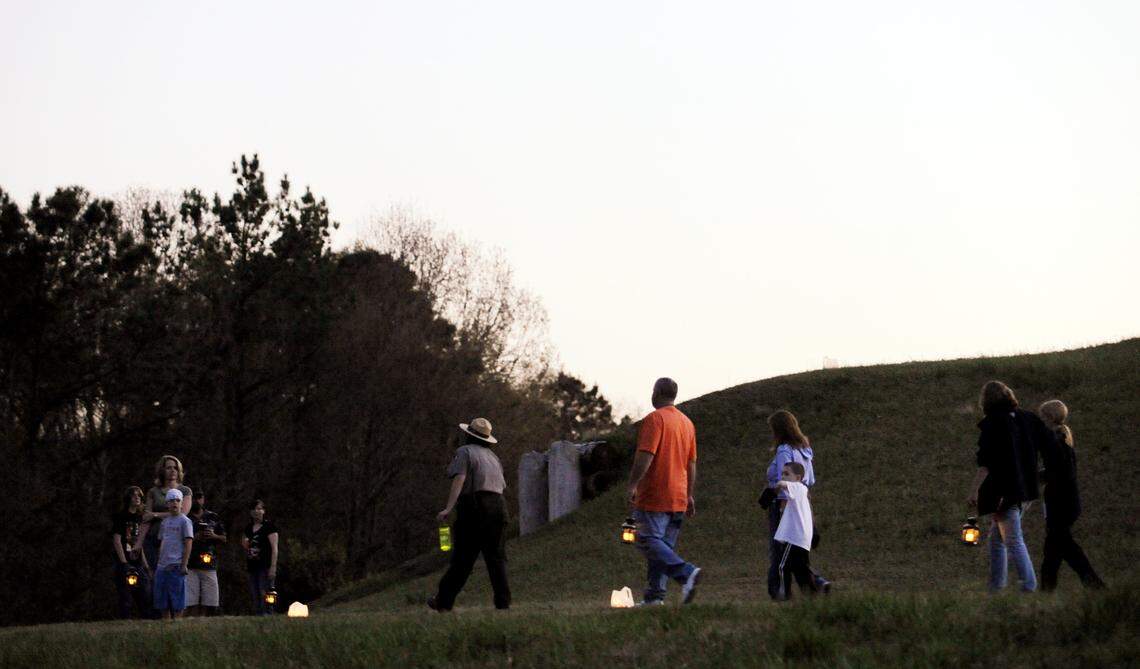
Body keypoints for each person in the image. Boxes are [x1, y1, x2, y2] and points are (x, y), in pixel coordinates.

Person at [966, 381, 1050, 593]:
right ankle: (996, 587)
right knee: (997, 540)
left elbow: (985, 462)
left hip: (1004, 492)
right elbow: (1049, 445)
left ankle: (1028, 586)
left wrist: (974, 489)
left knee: (1013, 540)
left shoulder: (992, 424)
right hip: (1026, 490)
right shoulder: (1028, 418)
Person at [626, 377, 701, 606]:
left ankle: (686, 573)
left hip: (655, 494)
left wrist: (632, 484)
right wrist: (689, 494)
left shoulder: (655, 419)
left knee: (645, 538)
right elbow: (691, 464)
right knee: (662, 548)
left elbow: (646, 455)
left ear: (656, 392)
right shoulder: (687, 423)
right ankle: (654, 598)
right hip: (678, 496)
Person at [428, 417, 511, 612]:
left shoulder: (464, 452)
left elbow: (460, 479)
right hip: (499, 507)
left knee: (463, 559)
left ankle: (443, 601)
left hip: (475, 507)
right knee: (496, 558)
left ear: (468, 435)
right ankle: (503, 603)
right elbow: (501, 486)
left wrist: (449, 508)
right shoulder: (493, 457)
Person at [760, 410, 831, 600]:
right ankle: (814, 585)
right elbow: (810, 481)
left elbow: (786, 483)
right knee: (797, 550)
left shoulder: (784, 450)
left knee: (779, 551)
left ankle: (780, 591)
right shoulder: (805, 451)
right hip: (803, 503)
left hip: (785, 505)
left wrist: (783, 509)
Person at [1037, 400, 1105, 591]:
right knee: (1056, 549)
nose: (1040, 421)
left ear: (1049, 418)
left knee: (1064, 548)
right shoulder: (1062, 440)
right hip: (1066, 504)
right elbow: (1058, 471)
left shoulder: (1055, 441)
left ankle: (1093, 585)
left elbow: (1057, 473)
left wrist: (1035, 477)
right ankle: (1048, 589)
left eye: (1042, 417)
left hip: (1061, 505)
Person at [135, 455, 192, 577]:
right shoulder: (153, 492)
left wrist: (156, 515)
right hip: (153, 539)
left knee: (173, 577)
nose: (172, 471)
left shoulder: (185, 491)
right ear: (162, 470)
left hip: (174, 541)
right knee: (153, 576)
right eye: (169, 468)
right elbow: (146, 519)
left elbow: (182, 514)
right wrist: (138, 543)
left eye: (175, 468)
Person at [771, 462, 815, 599]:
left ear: (798, 477)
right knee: (800, 569)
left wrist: (777, 486)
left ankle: (784, 595)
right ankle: (812, 594)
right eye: (782, 473)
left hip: (794, 539)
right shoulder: (800, 493)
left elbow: (783, 485)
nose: (783, 476)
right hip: (802, 540)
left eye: (786, 473)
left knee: (783, 566)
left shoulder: (798, 487)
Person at [110, 485, 152, 618]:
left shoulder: (140, 518)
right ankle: (125, 623)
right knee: (126, 599)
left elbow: (140, 544)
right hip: (124, 563)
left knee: (145, 596)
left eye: (139, 495)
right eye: (134, 495)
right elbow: (117, 540)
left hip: (138, 562)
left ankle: (147, 623)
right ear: (128, 498)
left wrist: (146, 565)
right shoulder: (121, 516)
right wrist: (123, 563)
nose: (137, 498)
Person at [153, 488, 194, 620]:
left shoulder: (185, 521)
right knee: (162, 599)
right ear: (167, 504)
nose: (174, 503)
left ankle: (178, 624)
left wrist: (184, 564)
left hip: (176, 565)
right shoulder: (165, 522)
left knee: (177, 599)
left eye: (177, 500)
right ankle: (165, 623)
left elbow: (188, 543)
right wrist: (159, 562)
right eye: (171, 501)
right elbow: (162, 542)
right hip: (162, 566)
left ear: (181, 503)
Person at [186, 491, 227, 616]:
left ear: (203, 499)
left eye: (199, 497)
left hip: (210, 563)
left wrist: (214, 536)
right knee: (190, 601)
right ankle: (191, 624)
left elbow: (224, 538)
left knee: (209, 601)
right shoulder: (186, 517)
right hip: (190, 564)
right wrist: (194, 537)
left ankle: (203, 623)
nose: (196, 501)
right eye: (193, 498)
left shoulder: (213, 517)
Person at [241, 499, 278, 615]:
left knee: (265, 593)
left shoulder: (269, 527)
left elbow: (274, 548)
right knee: (255, 594)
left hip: (265, 566)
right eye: (254, 509)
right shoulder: (248, 528)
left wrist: (273, 567)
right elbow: (245, 543)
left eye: (259, 509)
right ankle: (258, 616)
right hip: (252, 566)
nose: (257, 512)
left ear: (263, 511)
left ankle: (268, 615)